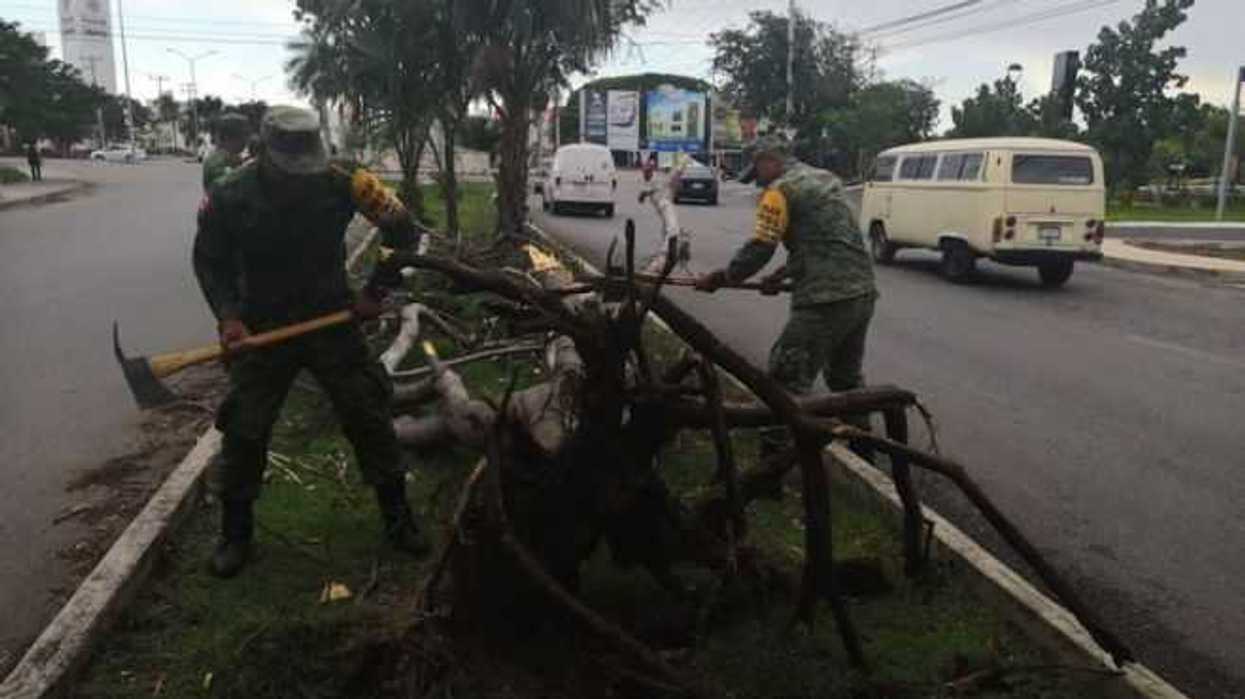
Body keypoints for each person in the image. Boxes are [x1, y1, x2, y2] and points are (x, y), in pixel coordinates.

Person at [193, 106, 427, 578]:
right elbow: (210, 261)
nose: (301, 177)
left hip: (331, 318)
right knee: (244, 427)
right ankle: (235, 534)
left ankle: (399, 519)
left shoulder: (349, 182)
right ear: (264, 152)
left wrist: (375, 291)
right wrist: (229, 318)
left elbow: (404, 229)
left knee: (368, 411)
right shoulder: (229, 195)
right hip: (262, 327)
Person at [695, 134, 877, 459]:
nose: (757, 181)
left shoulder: (779, 192)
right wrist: (780, 275)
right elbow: (824, 240)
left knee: (784, 376)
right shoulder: (824, 179)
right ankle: (867, 451)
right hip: (862, 291)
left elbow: (761, 247)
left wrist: (724, 277)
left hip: (825, 298)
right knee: (846, 378)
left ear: (770, 162)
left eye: (758, 170)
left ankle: (772, 463)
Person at [201, 113, 251, 191]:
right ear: (227, 137)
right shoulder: (217, 162)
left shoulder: (231, 157)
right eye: (244, 135)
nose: (247, 140)